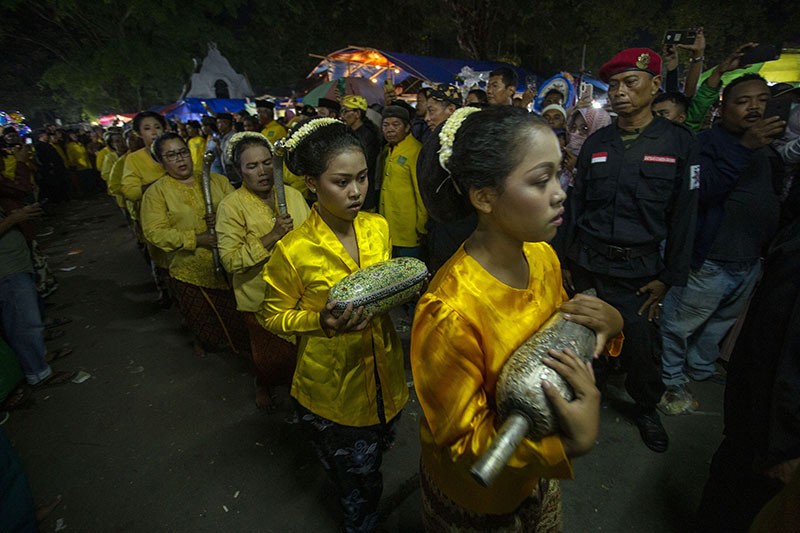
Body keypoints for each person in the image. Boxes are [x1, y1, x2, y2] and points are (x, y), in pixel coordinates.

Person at [411, 105, 623, 530]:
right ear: (484, 197)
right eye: (541, 180)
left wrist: (609, 324)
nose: (560, 193)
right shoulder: (449, 309)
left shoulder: (543, 256)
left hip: (533, 478)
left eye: (560, 174)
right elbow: (462, 443)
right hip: (479, 497)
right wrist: (568, 444)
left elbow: (562, 339)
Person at [258, 117, 407, 532]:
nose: (356, 191)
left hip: (386, 374)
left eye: (362, 177)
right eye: (341, 182)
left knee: (374, 463)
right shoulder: (294, 250)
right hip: (333, 390)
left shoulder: (378, 227)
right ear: (311, 183)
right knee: (353, 483)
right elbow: (271, 315)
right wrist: (318, 320)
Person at [558, 48, 699, 453]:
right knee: (583, 340)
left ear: (654, 86)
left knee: (641, 351)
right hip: (588, 264)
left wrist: (668, 278)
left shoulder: (678, 143)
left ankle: (646, 407)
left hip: (639, 273)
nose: (620, 91)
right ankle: (586, 397)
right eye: (615, 84)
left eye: (630, 82)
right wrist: (564, 260)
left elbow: (685, 215)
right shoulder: (597, 142)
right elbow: (576, 205)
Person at [658, 74, 783, 415]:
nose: (754, 108)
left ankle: (700, 366)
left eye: (762, 100)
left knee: (719, 322)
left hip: (748, 259)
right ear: (723, 108)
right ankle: (671, 377)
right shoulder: (708, 144)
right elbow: (703, 191)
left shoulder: (769, 148)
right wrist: (744, 149)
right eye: (743, 101)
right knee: (679, 324)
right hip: (710, 259)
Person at [694, 203, 800, 532]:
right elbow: (782, 344)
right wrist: (783, 447)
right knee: (736, 507)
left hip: (767, 430)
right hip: (768, 438)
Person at [215, 132, 310, 408]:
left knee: (304, 353)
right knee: (269, 357)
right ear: (238, 171)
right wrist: (272, 236)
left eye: (267, 163)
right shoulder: (230, 207)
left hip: (301, 291)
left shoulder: (292, 195)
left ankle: (305, 395)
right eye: (252, 166)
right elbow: (231, 260)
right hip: (260, 296)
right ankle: (264, 384)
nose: (262, 171)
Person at [140, 133, 241, 357]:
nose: (180, 159)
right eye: (171, 155)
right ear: (161, 161)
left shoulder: (216, 180)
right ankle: (204, 342)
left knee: (236, 318)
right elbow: (155, 232)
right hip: (189, 269)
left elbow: (240, 209)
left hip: (229, 263)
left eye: (183, 152)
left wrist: (222, 217)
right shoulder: (156, 193)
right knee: (202, 319)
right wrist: (196, 239)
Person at [0, 203, 74, 389]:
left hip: (14, 265)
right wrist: (13, 219)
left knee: (27, 320)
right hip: (6, 271)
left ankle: (40, 358)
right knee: (23, 324)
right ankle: (38, 373)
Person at [121, 111, 171, 306]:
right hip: (154, 220)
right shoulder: (134, 160)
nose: (154, 132)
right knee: (161, 260)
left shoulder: (176, 151)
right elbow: (130, 191)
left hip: (182, 217)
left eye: (157, 127)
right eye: (147, 128)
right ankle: (166, 293)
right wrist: (160, 184)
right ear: (139, 134)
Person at [377, 105, 426, 258]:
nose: (390, 129)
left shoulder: (415, 151)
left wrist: (422, 225)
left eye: (396, 125)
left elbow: (420, 191)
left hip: (408, 229)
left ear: (407, 128)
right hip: (387, 225)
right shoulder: (386, 150)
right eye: (386, 125)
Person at [341, 95, 381, 210]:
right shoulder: (349, 133)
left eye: (345, 111)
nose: (342, 116)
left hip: (364, 195)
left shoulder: (368, 136)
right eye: (342, 111)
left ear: (357, 114)